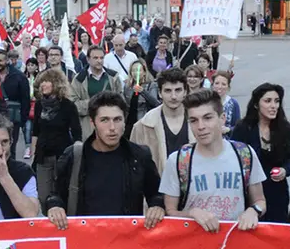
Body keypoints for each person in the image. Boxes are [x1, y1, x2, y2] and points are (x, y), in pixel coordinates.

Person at [46, 90, 164, 233]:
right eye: (104, 120)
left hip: (126, 241)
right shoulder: (74, 155)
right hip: (85, 240)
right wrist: (55, 206)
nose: (112, 128)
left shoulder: (139, 155)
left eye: (117, 119)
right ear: (92, 122)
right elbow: (55, 194)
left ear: (124, 120)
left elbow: (157, 194)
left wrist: (157, 206)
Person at [160, 89, 268, 232]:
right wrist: (192, 213)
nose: (201, 127)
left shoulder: (244, 154)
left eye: (207, 118)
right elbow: (170, 212)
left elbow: (260, 201)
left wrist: (253, 211)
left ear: (222, 118)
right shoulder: (178, 160)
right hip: (193, 245)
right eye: (193, 120)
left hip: (234, 242)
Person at [230, 83, 290, 223]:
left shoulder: (285, 129)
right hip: (250, 194)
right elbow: (233, 159)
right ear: (256, 105)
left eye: (277, 101)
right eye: (268, 101)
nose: (274, 106)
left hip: (277, 193)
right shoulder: (243, 129)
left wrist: (284, 170)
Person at [31, 68, 82, 209]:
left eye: (46, 81)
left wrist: (76, 156)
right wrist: (33, 153)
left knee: (61, 193)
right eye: (41, 82)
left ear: (56, 84)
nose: (43, 85)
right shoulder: (39, 105)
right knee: (42, 196)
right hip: (42, 155)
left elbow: (77, 133)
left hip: (62, 155)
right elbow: (36, 130)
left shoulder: (68, 106)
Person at [130, 68, 192, 174]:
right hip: (156, 187)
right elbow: (133, 165)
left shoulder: (199, 122)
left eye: (178, 90)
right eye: (168, 90)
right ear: (159, 93)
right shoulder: (142, 126)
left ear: (185, 92)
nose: (173, 96)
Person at [71, 45, 123, 140]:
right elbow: (73, 104)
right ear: (88, 59)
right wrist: (95, 103)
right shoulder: (79, 79)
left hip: (111, 125)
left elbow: (121, 100)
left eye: (101, 58)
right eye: (95, 58)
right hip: (89, 126)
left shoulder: (113, 77)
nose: (99, 61)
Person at [0, 49, 31, 160]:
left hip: (12, 119)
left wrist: (22, 120)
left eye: (0, 60)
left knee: (10, 148)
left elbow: (25, 99)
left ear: (7, 61)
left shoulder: (19, 76)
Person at [123, 59, 160, 139]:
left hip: (142, 121)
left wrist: (143, 91)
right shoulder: (128, 86)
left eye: (139, 70)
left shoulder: (151, 85)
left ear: (144, 72)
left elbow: (156, 103)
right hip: (129, 123)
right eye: (133, 71)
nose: (136, 73)